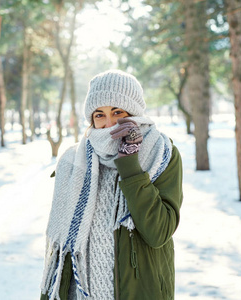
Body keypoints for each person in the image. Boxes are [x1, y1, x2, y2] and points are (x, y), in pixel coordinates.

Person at [40, 70, 183, 300]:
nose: (108, 124)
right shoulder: (74, 161)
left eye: (117, 112)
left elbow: (159, 232)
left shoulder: (160, 153)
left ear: (134, 113)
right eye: (99, 115)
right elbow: (63, 248)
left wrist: (130, 166)